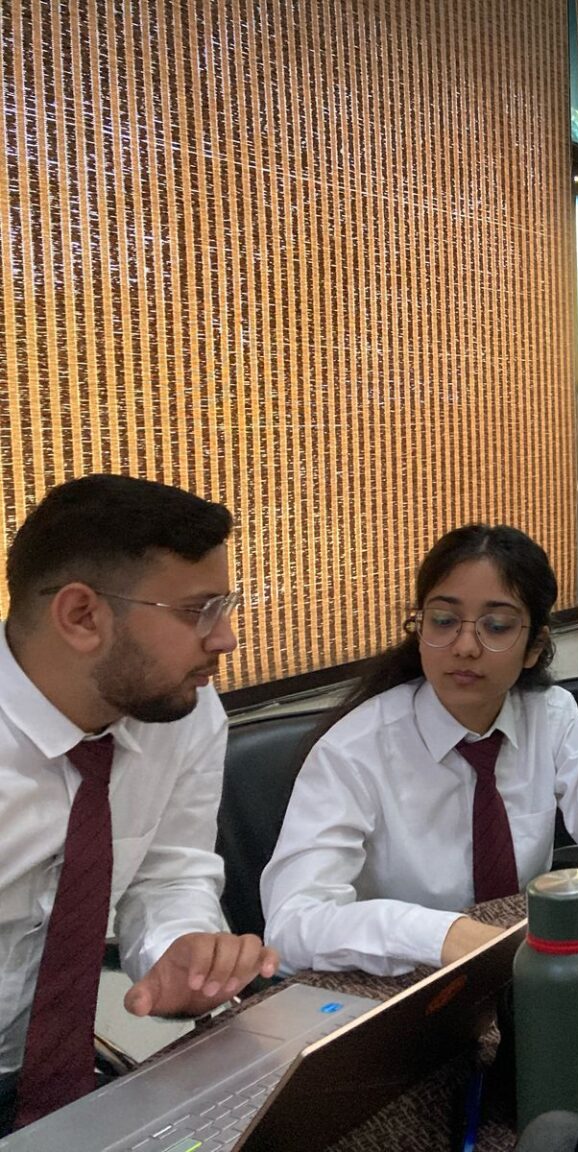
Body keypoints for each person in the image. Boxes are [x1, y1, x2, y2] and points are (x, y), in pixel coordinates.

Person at [260, 525, 578, 978]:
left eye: (497, 626)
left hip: (527, 964)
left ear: (533, 647)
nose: (466, 647)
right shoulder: (352, 751)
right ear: (419, 628)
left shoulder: (550, 716)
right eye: (443, 621)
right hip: (397, 982)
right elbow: (293, 922)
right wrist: (441, 935)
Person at [0, 475, 277, 1134]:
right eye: (198, 611)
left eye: (225, 606)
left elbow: (168, 870)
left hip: (60, 1078)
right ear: (82, 616)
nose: (226, 639)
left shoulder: (183, 713)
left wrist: (180, 949)